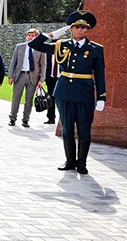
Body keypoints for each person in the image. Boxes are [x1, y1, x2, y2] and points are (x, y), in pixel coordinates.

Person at [30, 11, 105, 174]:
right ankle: (70, 161)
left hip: (84, 93)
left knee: (84, 130)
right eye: (76, 27)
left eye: (83, 27)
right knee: (67, 129)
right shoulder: (61, 45)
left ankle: (82, 163)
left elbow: (100, 74)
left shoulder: (96, 49)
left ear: (87, 29)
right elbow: (34, 45)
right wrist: (54, 34)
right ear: (70, 29)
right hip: (64, 93)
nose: (79, 30)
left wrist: (101, 97)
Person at [8, 29, 45, 127]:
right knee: (16, 98)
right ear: (26, 36)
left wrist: (41, 80)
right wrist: (10, 76)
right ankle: (12, 118)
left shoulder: (41, 48)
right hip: (20, 75)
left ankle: (25, 119)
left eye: (33, 35)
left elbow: (43, 65)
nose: (31, 36)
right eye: (29, 35)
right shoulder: (19, 47)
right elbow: (13, 62)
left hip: (33, 77)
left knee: (29, 100)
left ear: (36, 37)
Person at [43, 49, 59, 124]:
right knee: (50, 99)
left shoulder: (63, 54)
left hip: (61, 79)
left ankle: (62, 118)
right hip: (51, 79)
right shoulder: (48, 54)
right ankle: (51, 118)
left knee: (61, 99)